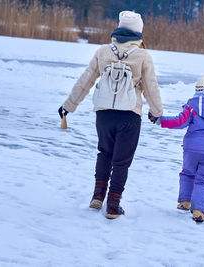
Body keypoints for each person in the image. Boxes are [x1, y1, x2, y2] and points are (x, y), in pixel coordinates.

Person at [58, 11, 163, 219]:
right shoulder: (143, 55)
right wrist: (156, 112)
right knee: (121, 161)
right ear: (139, 32)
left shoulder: (103, 51)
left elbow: (86, 80)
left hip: (104, 114)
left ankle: (97, 197)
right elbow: (151, 88)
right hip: (129, 115)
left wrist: (69, 105)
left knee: (104, 153)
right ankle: (113, 206)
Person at [148, 77, 204, 222]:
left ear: (197, 90)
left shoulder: (192, 108)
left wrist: (159, 120)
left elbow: (179, 121)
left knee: (188, 174)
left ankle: (185, 202)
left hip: (191, 149)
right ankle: (199, 211)